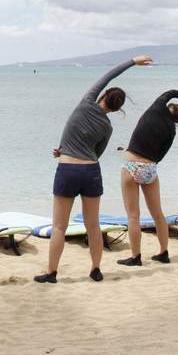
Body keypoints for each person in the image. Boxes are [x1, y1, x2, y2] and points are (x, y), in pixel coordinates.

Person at [35, 55, 152, 284]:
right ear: (117, 109)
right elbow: (95, 154)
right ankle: (96, 269)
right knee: (93, 225)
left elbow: (108, 75)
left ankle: (51, 273)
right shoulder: (107, 127)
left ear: (103, 96)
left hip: (67, 169)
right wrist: (68, 149)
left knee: (59, 226)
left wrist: (132, 62)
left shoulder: (87, 102)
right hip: (90, 172)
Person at [116, 88, 178, 267]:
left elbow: (171, 92)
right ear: (177, 120)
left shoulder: (156, 108)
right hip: (150, 169)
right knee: (158, 213)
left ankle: (136, 256)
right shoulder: (171, 130)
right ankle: (163, 253)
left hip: (132, 166)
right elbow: (160, 156)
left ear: (167, 107)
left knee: (133, 215)